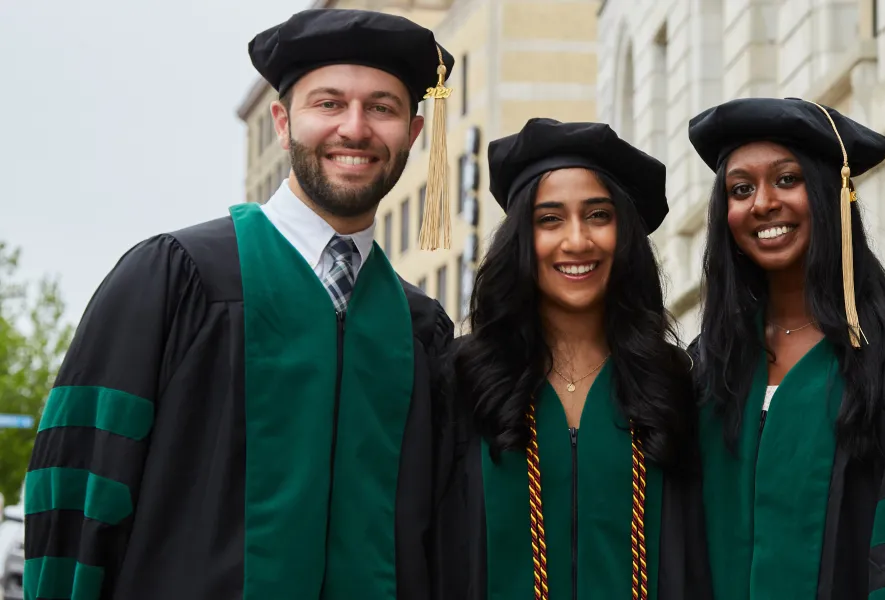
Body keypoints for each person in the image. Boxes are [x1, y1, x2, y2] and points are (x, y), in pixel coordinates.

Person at [22, 9, 459, 600]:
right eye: (328, 104)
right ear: (282, 122)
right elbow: (78, 492)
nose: (354, 129)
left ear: (412, 133)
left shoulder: (420, 330)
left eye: (381, 107)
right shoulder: (173, 280)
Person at [685, 97, 885, 599]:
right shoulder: (711, 361)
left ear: (834, 195)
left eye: (787, 179)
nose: (763, 202)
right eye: (741, 189)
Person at [435, 117, 711, 599]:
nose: (577, 240)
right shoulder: (464, 381)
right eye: (550, 219)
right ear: (523, 238)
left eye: (598, 215)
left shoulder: (672, 384)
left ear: (624, 235)